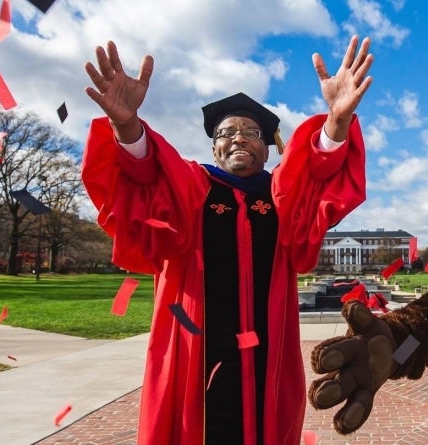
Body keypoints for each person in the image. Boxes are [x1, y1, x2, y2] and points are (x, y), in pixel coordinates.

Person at [81, 36, 374, 445]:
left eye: (251, 132)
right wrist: (127, 126)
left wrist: (337, 121)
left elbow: (319, 175)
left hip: (268, 356)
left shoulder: (283, 198)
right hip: (193, 352)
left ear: (268, 149)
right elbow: (146, 173)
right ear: (214, 147)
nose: (238, 137)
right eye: (226, 132)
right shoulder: (191, 187)